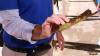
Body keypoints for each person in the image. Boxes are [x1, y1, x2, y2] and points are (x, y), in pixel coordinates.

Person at [0, 0, 70, 56]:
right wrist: (40, 32)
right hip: (20, 52)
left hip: (46, 49)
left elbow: (47, 8)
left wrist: (57, 30)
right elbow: (11, 23)